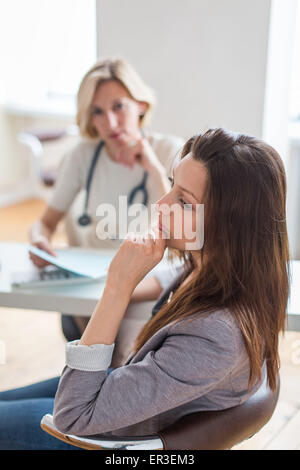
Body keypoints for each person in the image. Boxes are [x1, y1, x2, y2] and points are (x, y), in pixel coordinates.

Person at [0, 128, 289, 449]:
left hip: (93, 434)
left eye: (184, 201)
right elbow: (171, 279)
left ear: (229, 224)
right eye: (171, 185)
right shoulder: (219, 272)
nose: (162, 204)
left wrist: (117, 287)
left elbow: (73, 418)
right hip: (110, 398)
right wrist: (124, 276)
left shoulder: (216, 334)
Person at [28, 58, 184, 345]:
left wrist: (153, 168)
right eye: (97, 111)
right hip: (93, 284)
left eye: (118, 107)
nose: (109, 122)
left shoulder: (170, 152)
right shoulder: (82, 157)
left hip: (149, 284)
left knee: (122, 356)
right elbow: (44, 223)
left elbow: (184, 233)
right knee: (97, 354)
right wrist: (39, 240)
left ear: (141, 106)